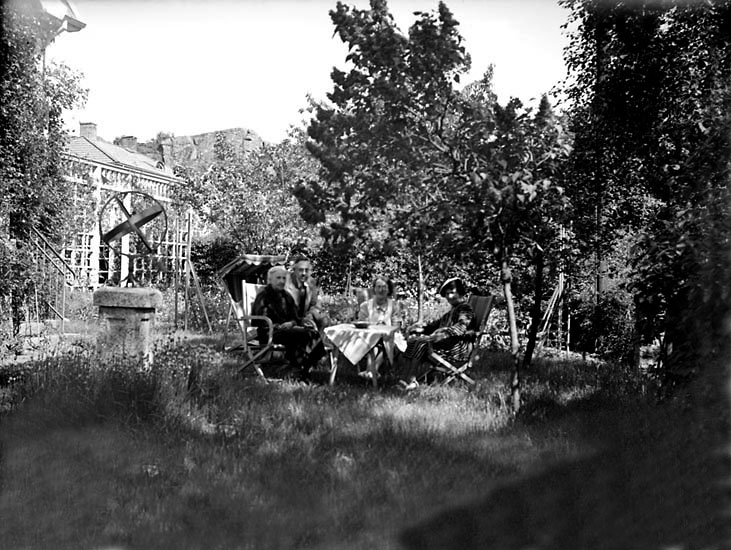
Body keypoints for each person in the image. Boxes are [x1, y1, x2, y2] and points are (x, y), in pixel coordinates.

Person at [395, 277, 474, 390]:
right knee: (414, 341)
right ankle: (405, 378)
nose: (449, 296)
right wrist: (421, 329)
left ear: (460, 292)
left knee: (421, 343)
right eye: (447, 294)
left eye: (452, 292)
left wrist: (442, 334)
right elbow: (435, 325)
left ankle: (410, 380)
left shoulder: (465, 309)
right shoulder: (452, 311)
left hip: (458, 348)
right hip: (447, 345)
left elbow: (461, 328)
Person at [252, 265, 325, 378]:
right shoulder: (263, 295)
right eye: (278, 278)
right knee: (302, 336)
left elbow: (295, 317)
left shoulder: (287, 296)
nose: (282, 281)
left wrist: (292, 323)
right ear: (270, 280)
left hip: (288, 330)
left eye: (283, 278)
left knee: (312, 334)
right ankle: (297, 369)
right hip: (270, 332)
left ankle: (304, 368)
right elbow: (260, 319)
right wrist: (278, 326)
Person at [285, 255, 330, 332]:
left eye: (306, 270)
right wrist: (296, 321)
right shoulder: (286, 281)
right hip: (288, 318)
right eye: (301, 270)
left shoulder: (311, 282)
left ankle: (319, 338)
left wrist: (309, 315)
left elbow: (314, 304)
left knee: (324, 320)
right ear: (294, 270)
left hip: (303, 316)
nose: (304, 273)